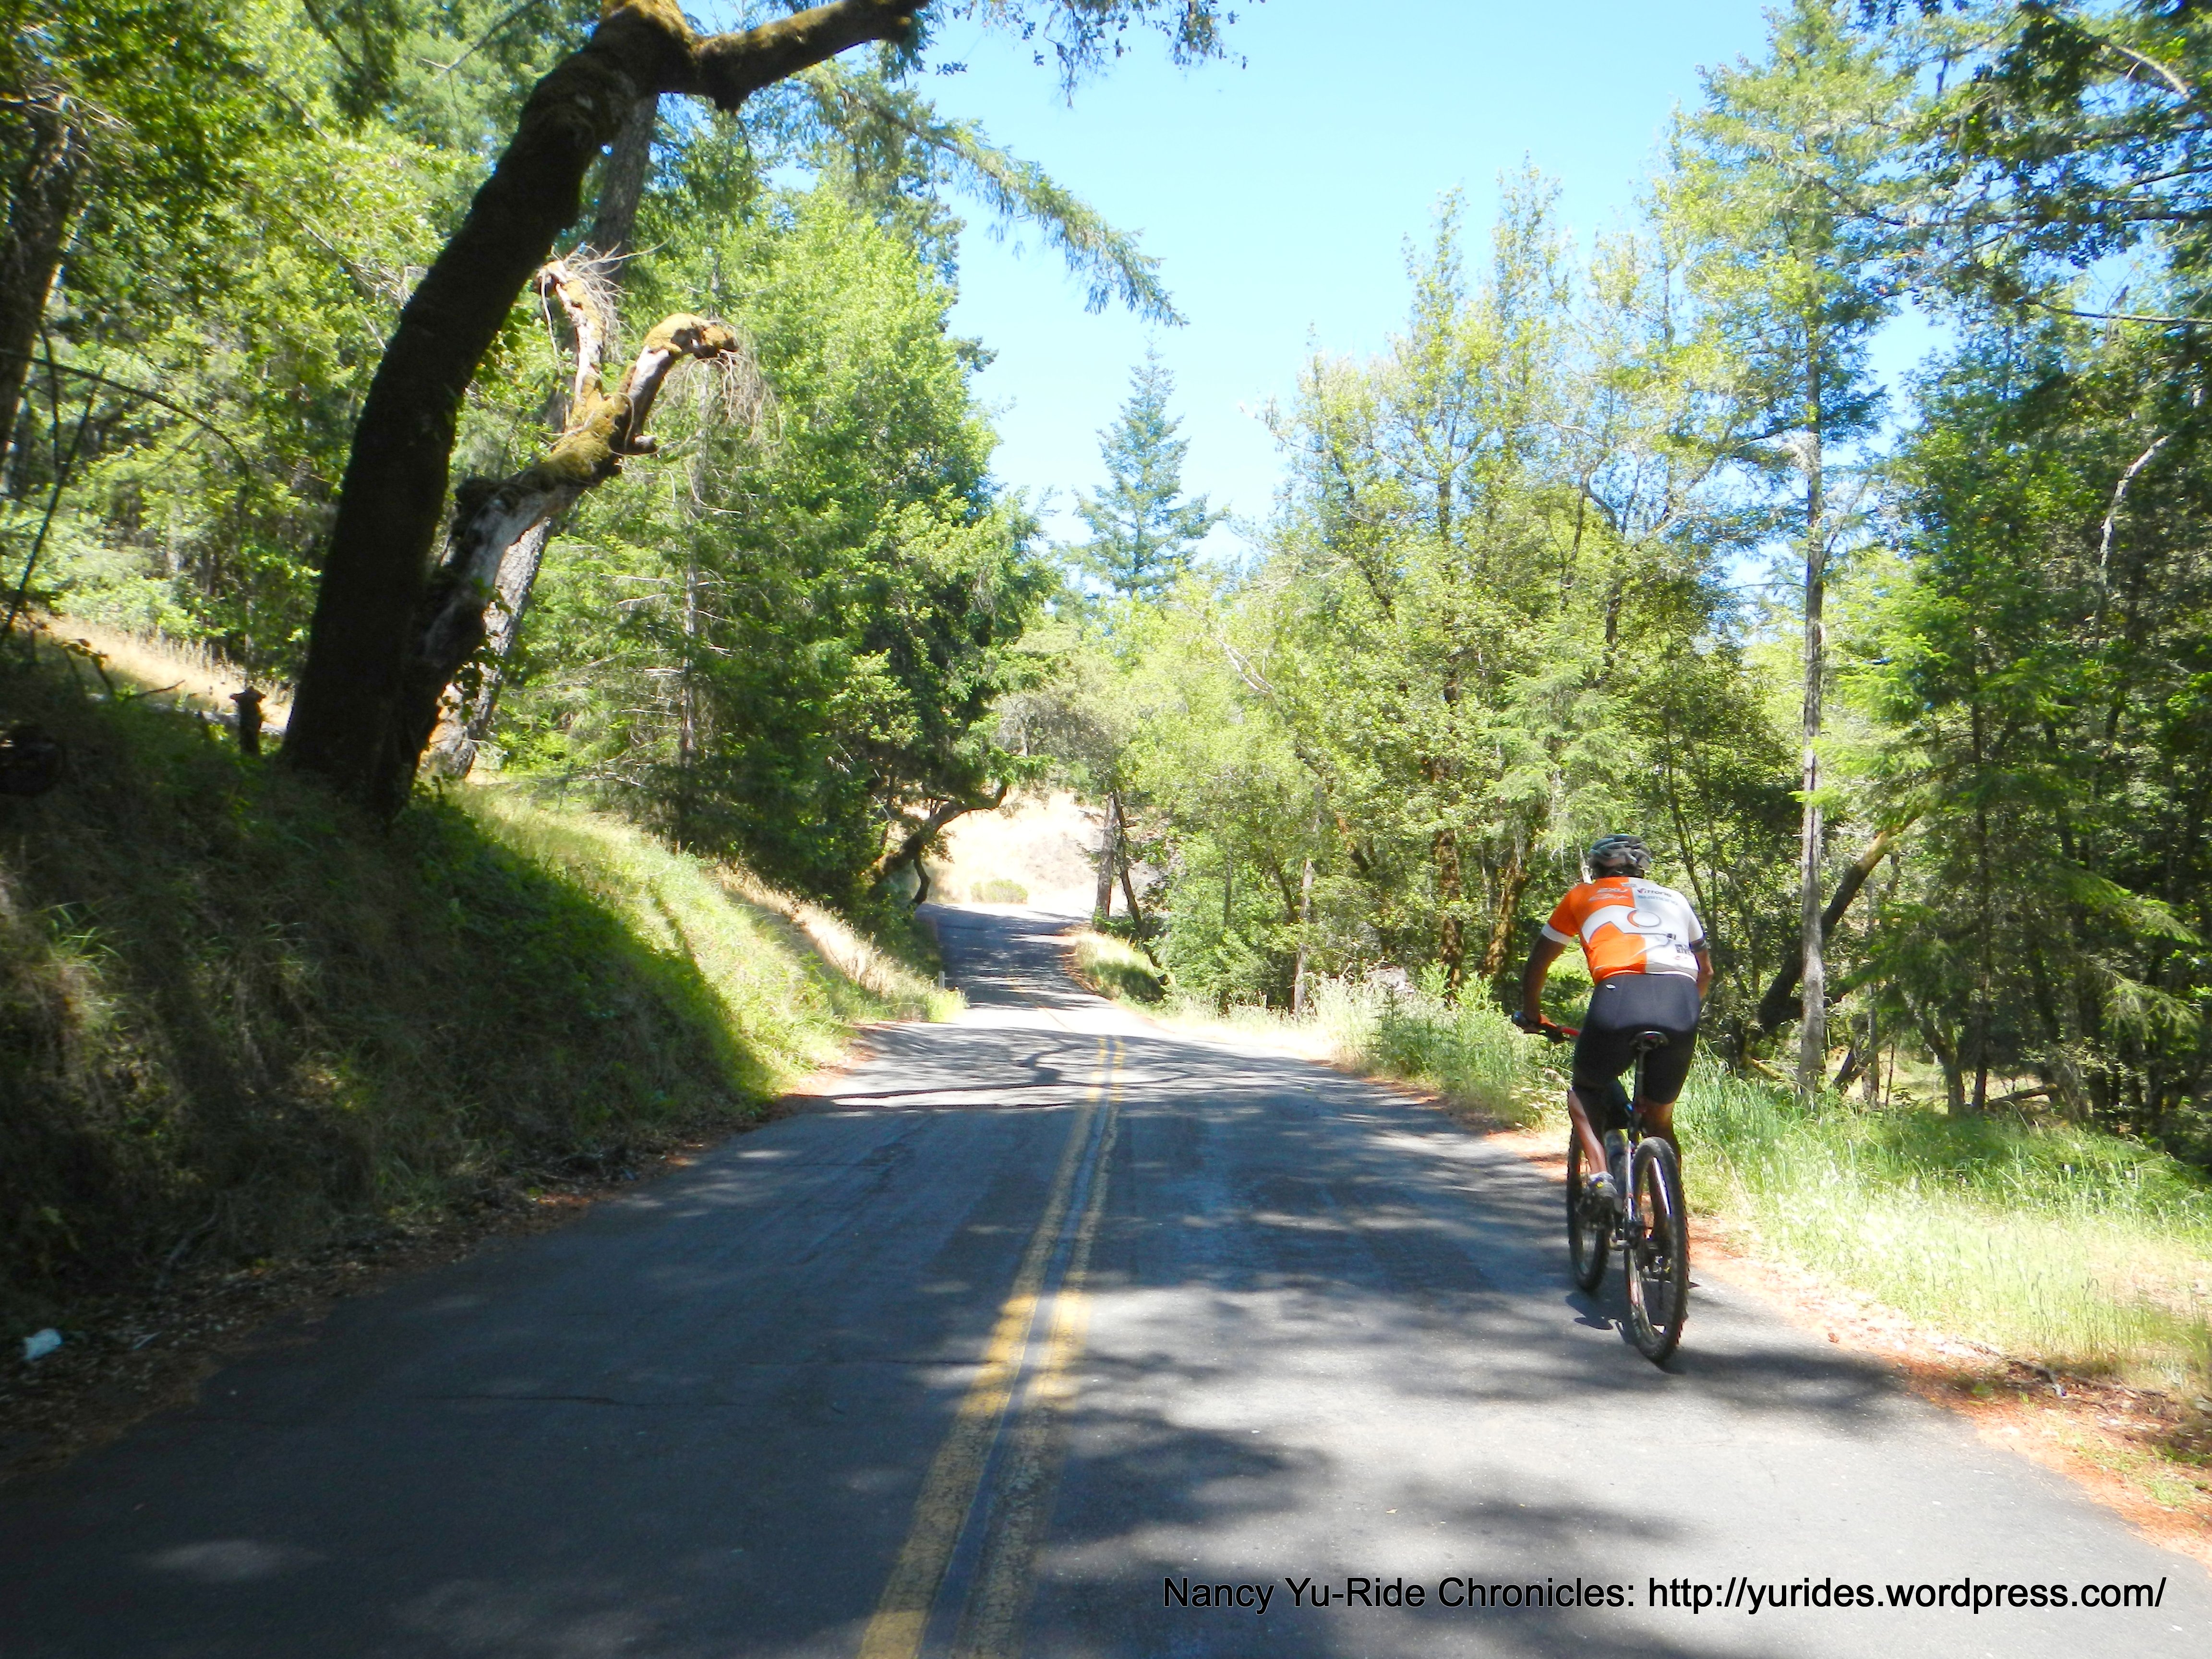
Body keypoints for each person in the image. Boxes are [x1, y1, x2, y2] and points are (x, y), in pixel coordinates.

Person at [1515, 834, 1711, 1212]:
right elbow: (1706, 970)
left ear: (1596, 868)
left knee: (1586, 1088)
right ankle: (1670, 1219)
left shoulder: (1581, 896)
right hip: (1681, 1002)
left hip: (1619, 995)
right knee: (1659, 1118)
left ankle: (1602, 1177)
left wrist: (1534, 1014)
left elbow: (1539, 963)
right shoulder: (1675, 898)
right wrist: (1682, 1015)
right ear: (1643, 870)